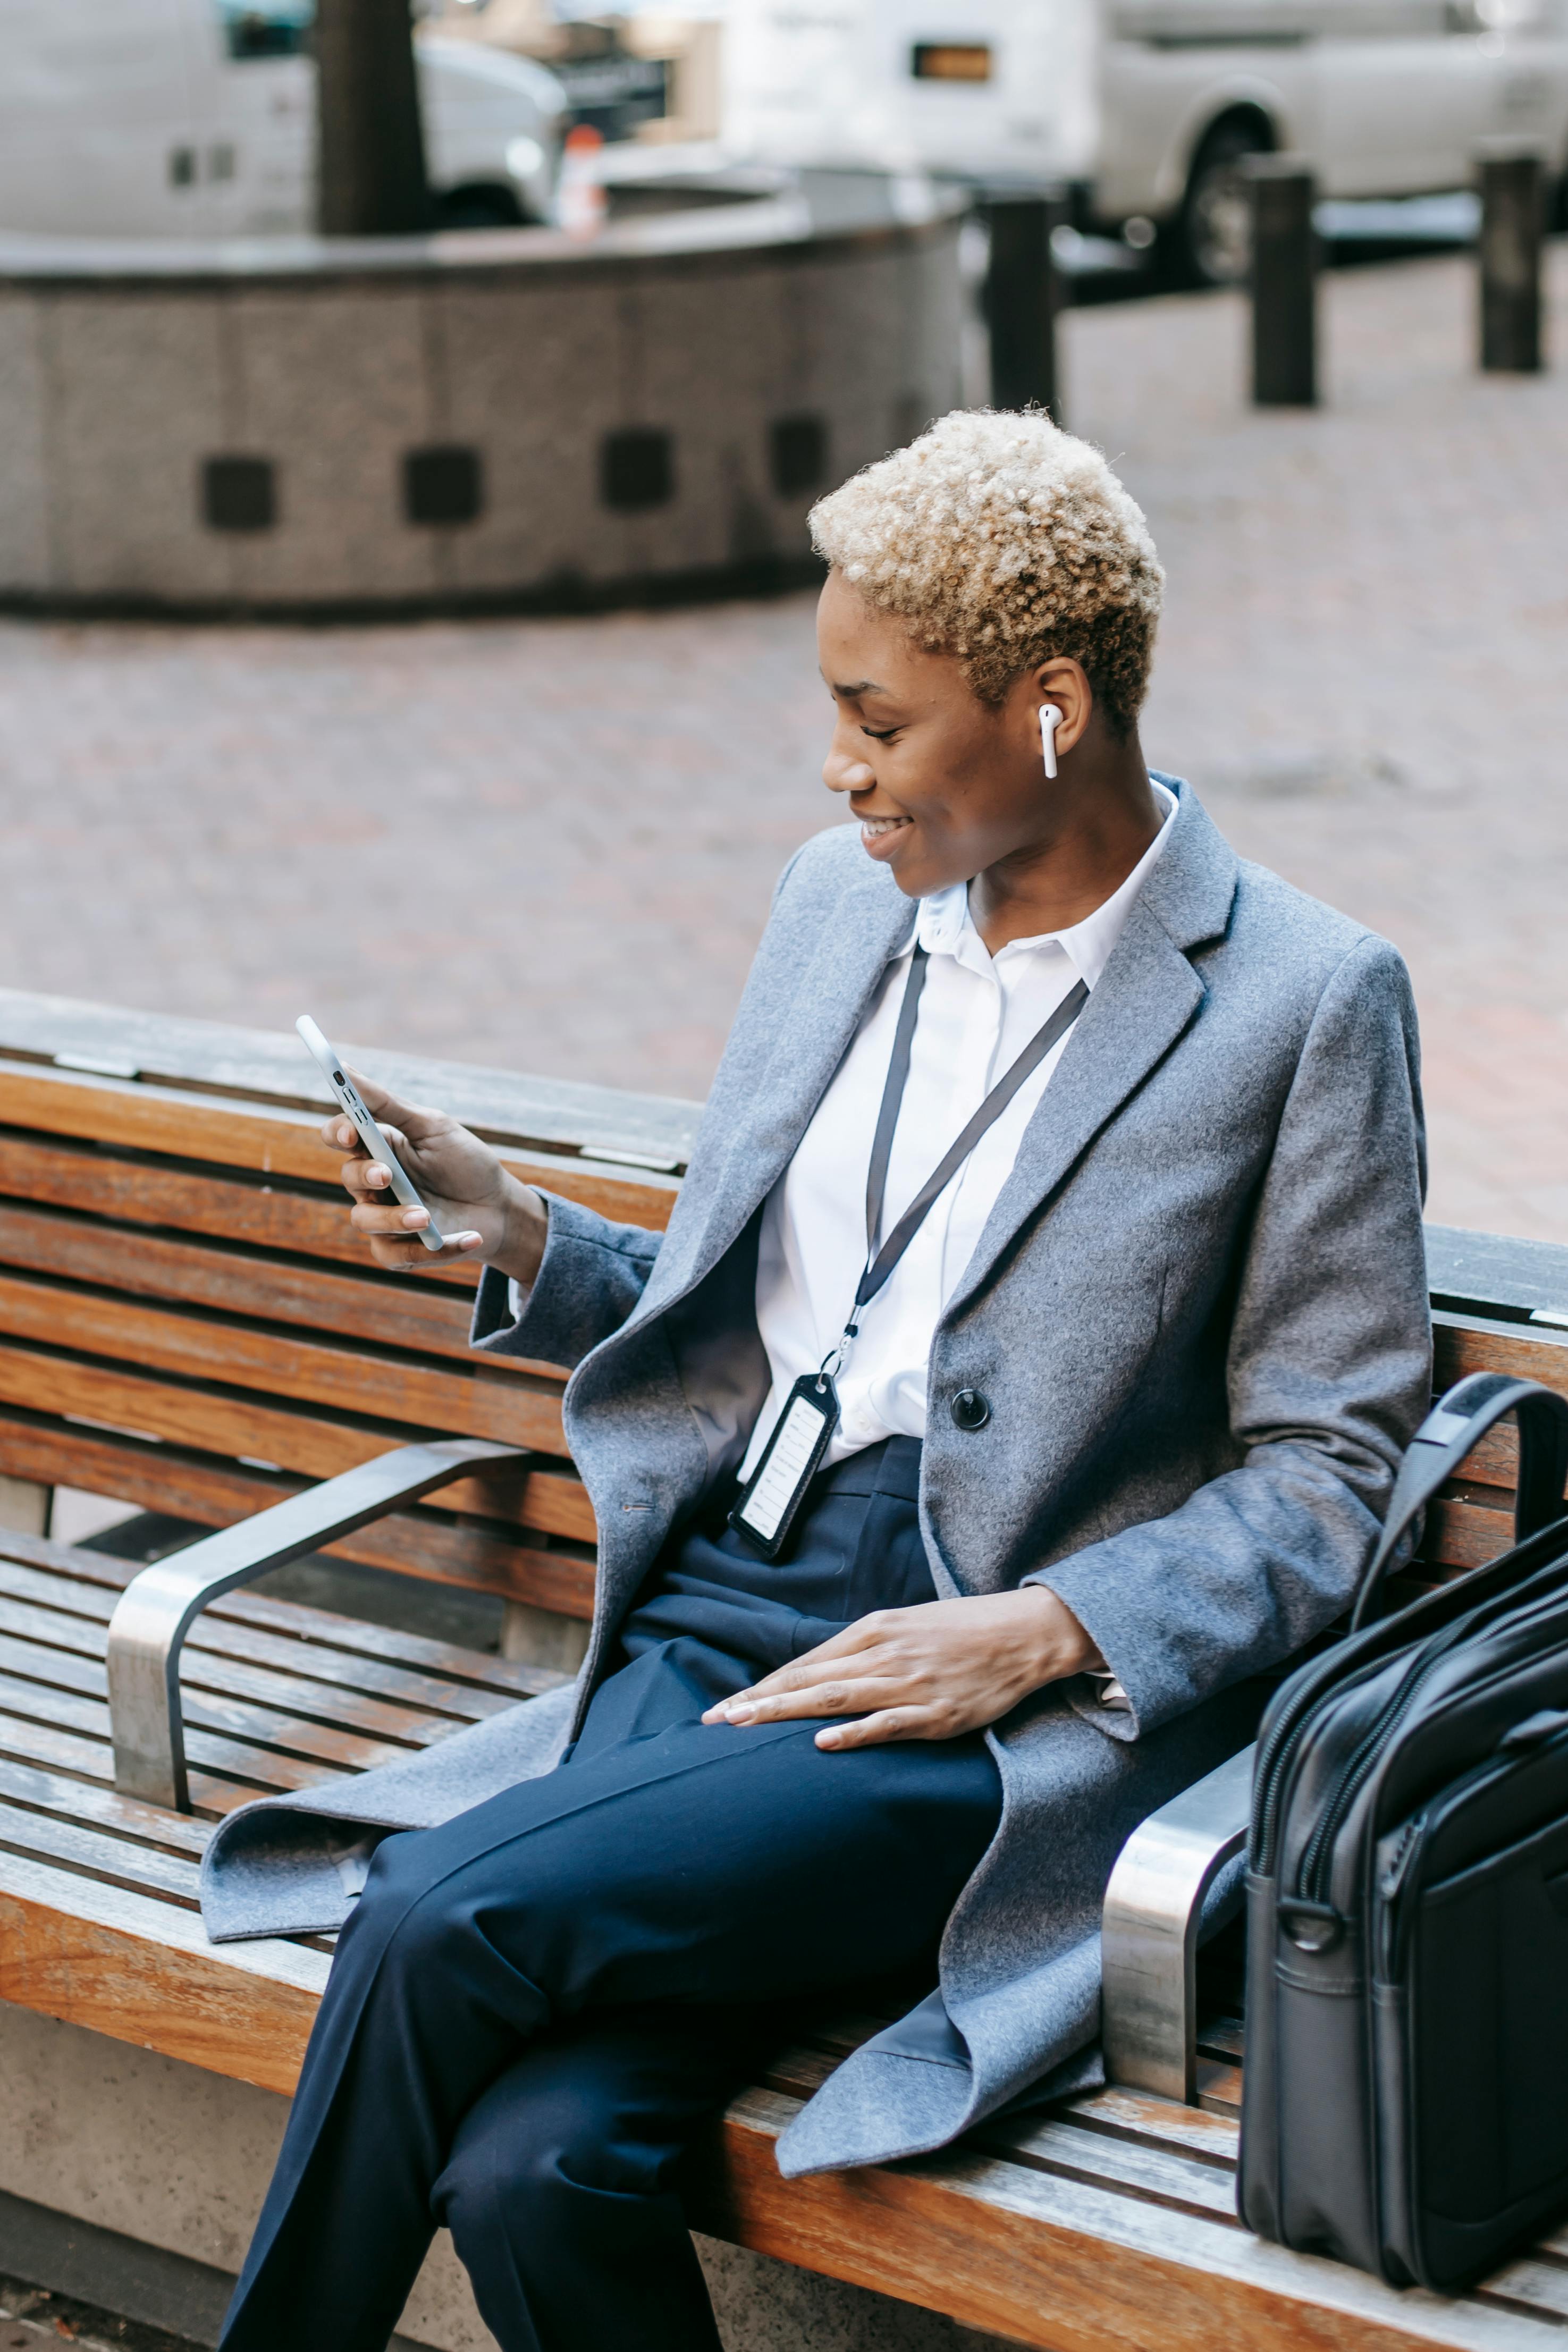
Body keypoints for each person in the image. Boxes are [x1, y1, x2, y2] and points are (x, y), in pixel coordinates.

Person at [214, 409, 1431, 2352]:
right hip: (713, 1607)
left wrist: (1039, 1627)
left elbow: (1327, 1470)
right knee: (539, 2167)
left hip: (962, 1695)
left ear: (1049, 708)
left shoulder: (1302, 998)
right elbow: (774, 1313)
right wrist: (521, 1234)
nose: (841, 765)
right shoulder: (834, 904)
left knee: (435, 1912)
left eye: (880, 718)